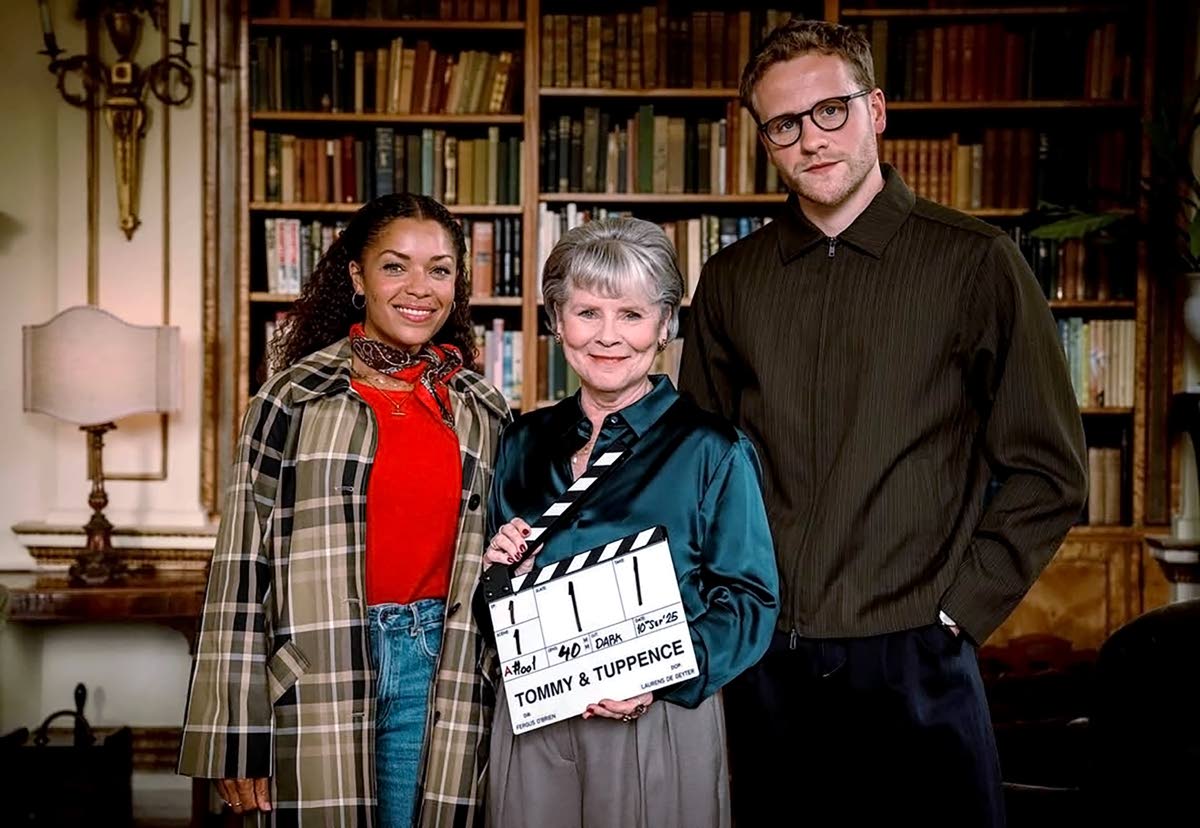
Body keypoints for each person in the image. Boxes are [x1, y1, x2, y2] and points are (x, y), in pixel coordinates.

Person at [678, 18, 1088, 828]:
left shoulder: (976, 262)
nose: (812, 139)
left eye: (831, 110)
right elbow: (698, 471)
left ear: (876, 109)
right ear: (766, 141)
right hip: (768, 659)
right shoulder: (731, 280)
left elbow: (1049, 470)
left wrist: (957, 612)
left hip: (920, 655)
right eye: (784, 124)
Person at [178, 193, 510, 827]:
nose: (420, 288)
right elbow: (240, 572)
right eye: (396, 266)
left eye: (440, 269)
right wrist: (233, 734)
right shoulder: (293, 399)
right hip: (315, 669)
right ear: (358, 277)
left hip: (441, 668)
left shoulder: (484, 409)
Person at [478, 218, 779, 828]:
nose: (608, 337)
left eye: (632, 315)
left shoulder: (710, 449)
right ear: (556, 322)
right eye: (587, 313)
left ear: (666, 325)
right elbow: (490, 612)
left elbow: (750, 601)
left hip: (658, 720)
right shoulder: (523, 441)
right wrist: (497, 575)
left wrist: (656, 678)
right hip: (533, 720)